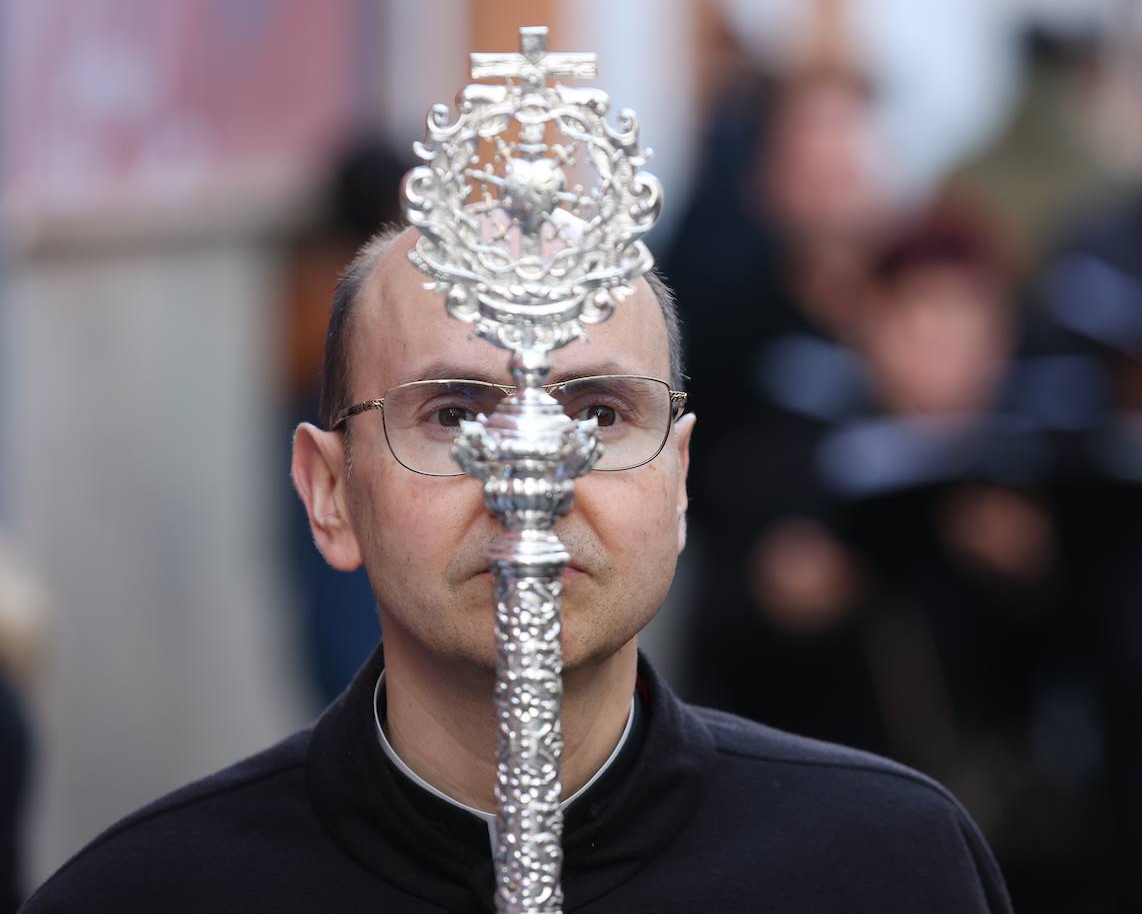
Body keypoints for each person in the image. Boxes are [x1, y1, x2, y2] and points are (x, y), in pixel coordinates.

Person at [21, 225, 1012, 912]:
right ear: (331, 492)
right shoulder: (147, 897)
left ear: (677, 482)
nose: (528, 481)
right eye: (454, 415)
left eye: (598, 415)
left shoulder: (889, 868)